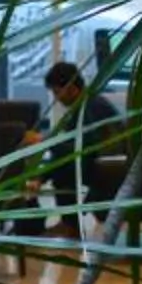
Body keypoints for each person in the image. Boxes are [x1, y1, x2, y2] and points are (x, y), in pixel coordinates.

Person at [27, 58, 112, 232]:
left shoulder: (89, 108)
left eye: (57, 92)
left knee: (64, 171)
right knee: (62, 164)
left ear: (71, 89)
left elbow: (80, 149)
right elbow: (68, 150)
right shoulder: (86, 105)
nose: (56, 98)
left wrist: (45, 141)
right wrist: (41, 177)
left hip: (107, 165)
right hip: (98, 161)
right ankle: (68, 223)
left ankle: (70, 224)